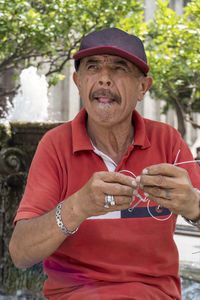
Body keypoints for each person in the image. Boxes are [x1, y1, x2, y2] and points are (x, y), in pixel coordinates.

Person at [9, 28, 200, 300]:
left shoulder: (167, 140)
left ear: (142, 87)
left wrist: (194, 204)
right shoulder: (55, 145)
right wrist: (79, 206)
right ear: (78, 81)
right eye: (93, 67)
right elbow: (20, 253)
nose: (104, 79)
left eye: (119, 68)